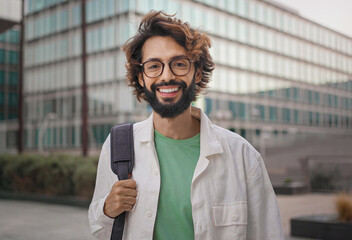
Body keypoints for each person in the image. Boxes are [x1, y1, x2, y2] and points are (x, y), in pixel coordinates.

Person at [88, 11, 284, 240]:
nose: (166, 76)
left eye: (179, 64)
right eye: (153, 66)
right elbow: (98, 228)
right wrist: (107, 209)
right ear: (141, 77)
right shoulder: (118, 145)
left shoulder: (242, 156)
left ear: (197, 72)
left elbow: (268, 234)